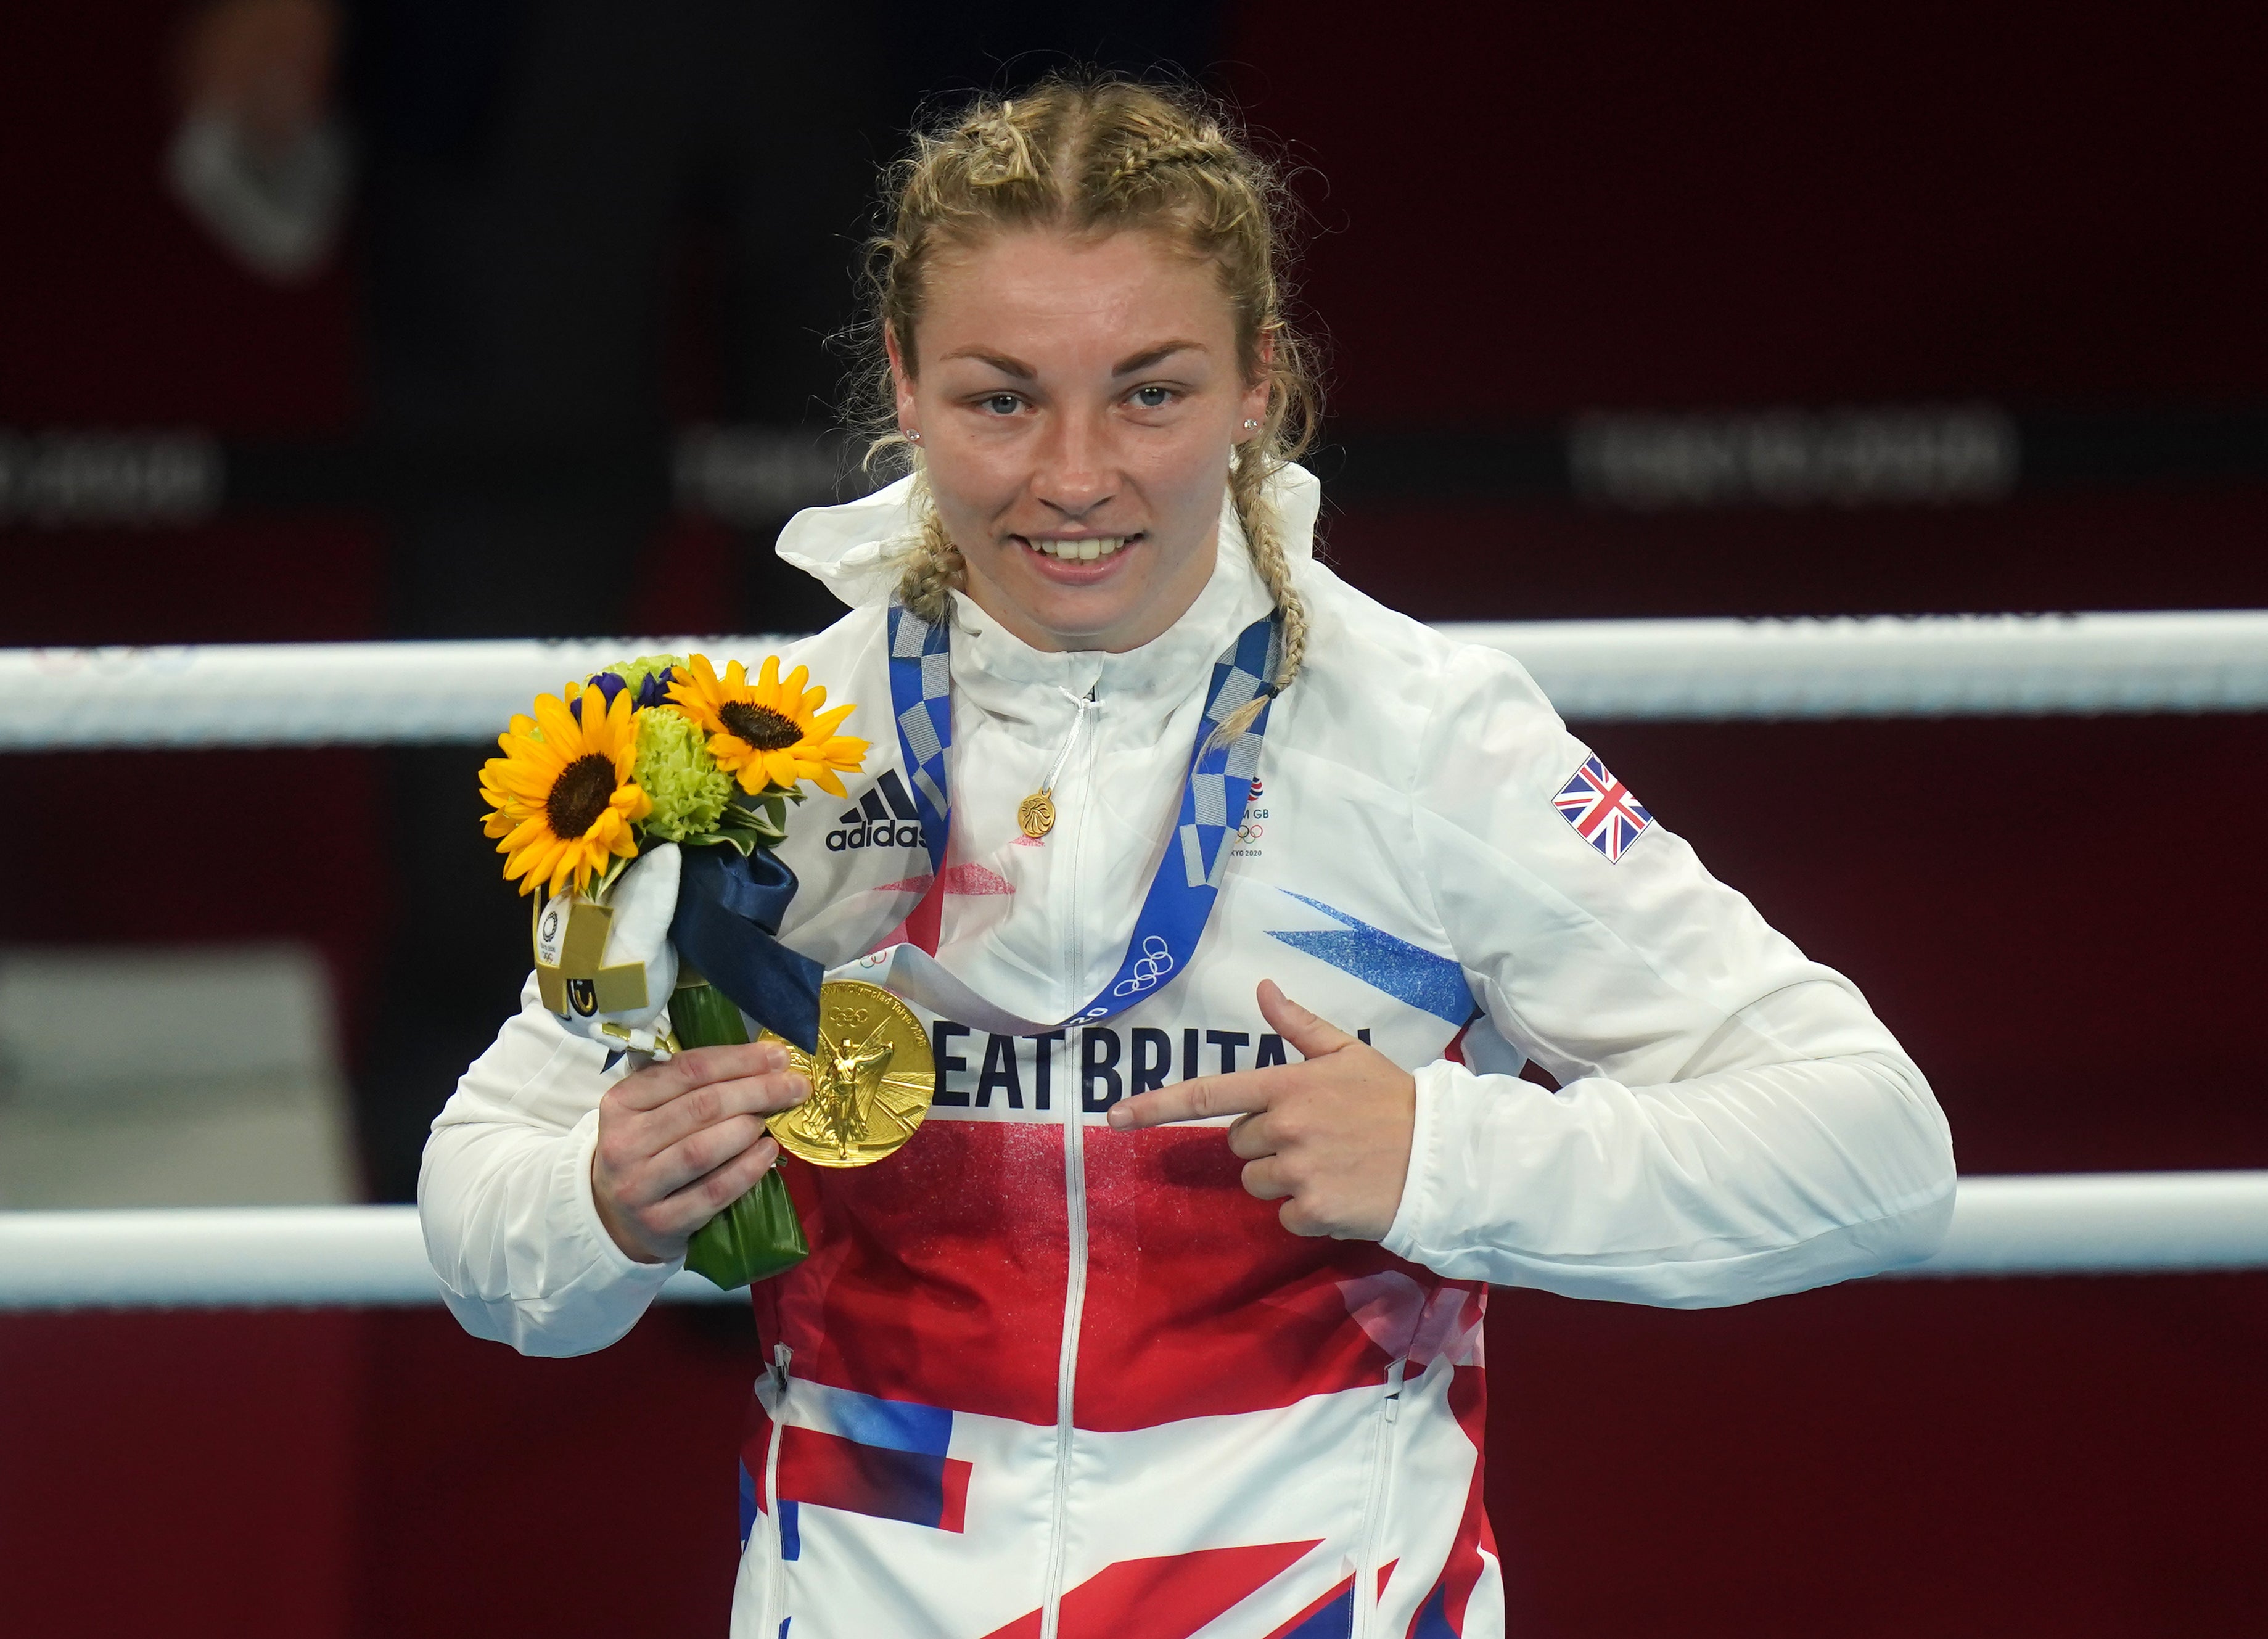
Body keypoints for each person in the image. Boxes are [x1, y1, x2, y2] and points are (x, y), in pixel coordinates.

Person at [420, 78, 1955, 1638]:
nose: (1075, 475)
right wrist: (606, 1199)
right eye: (1001, 398)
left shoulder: (1429, 738)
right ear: (901, 384)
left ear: (1256, 386)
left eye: (1149, 393)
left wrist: (1448, 1158)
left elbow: (1875, 1151)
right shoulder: (757, 755)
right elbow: (483, 1217)